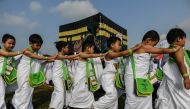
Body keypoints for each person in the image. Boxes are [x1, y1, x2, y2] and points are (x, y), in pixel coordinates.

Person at [124, 30, 180, 109]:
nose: (153, 47)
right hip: (134, 78)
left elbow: (156, 53)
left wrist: (165, 50)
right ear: (148, 40)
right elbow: (162, 50)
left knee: (144, 98)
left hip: (139, 78)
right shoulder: (144, 47)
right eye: (154, 44)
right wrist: (174, 48)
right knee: (133, 101)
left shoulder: (142, 49)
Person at [93, 36, 141, 109]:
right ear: (112, 45)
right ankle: (95, 106)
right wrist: (134, 48)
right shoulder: (109, 54)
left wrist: (137, 47)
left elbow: (126, 54)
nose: (120, 46)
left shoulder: (118, 56)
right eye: (119, 44)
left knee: (115, 99)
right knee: (112, 95)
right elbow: (123, 53)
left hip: (114, 79)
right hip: (107, 78)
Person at [12, 34, 55, 109]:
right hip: (23, 74)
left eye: (40, 45)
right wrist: (50, 58)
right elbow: (37, 57)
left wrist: (53, 59)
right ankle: (18, 105)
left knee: (29, 92)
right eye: (37, 45)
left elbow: (42, 61)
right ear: (30, 43)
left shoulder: (39, 53)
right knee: (23, 90)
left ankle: (22, 106)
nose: (39, 47)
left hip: (32, 75)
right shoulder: (26, 51)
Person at [155, 28, 190, 109]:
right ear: (179, 38)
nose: (185, 41)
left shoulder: (170, 48)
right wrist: (186, 78)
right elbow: (181, 64)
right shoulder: (178, 49)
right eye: (184, 38)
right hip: (179, 79)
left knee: (171, 100)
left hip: (172, 78)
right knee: (184, 101)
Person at [69, 40, 106, 109]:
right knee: (79, 92)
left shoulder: (88, 57)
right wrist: (102, 54)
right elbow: (91, 55)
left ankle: (88, 106)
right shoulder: (81, 54)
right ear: (88, 48)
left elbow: (95, 57)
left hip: (86, 79)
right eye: (93, 48)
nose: (93, 50)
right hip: (80, 78)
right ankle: (74, 105)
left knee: (89, 93)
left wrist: (105, 56)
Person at [49, 41, 79, 109]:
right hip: (57, 77)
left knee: (58, 91)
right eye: (67, 47)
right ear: (63, 48)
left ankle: (53, 105)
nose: (68, 49)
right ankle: (55, 107)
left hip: (63, 77)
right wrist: (78, 54)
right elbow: (70, 57)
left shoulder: (64, 56)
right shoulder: (58, 56)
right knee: (60, 91)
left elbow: (73, 58)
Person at [0, 34, 25, 109]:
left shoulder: (13, 53)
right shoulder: (1, 51)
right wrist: (20, 52)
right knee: (1, 95)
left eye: (13, 43)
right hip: (0, 76)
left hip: (8, 77)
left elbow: (18, 57)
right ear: (3, 43)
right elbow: (7, 54)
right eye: (9, 43)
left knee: (19, 87)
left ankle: (14, 103)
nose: (11, 45)